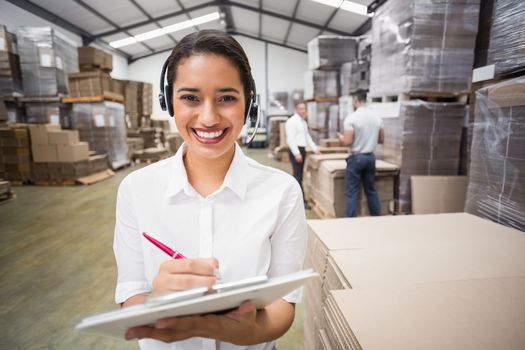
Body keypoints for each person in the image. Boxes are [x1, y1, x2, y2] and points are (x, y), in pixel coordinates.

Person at [114, 30, 307, 350]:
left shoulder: (282, 191)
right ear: (169, 102)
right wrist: (153, 304)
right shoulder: (137, 190)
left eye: (227, 98)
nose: (208, 117)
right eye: (190, 97)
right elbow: (131, 292)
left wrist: (250, 332)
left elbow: (283, 303)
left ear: (249, 104)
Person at [338, 89, 384, 217]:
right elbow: (381, 139)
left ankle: (352, 221)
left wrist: (341, 138)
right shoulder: (377, 118)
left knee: (352, 192)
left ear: (355, 100)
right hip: (370, 157)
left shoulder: (352, 118)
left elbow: (347, 141)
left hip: (356, 158)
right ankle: (376, 217)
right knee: (371, 190)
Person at [285, 102, 321, 208]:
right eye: (301, 109)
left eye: (304, 109)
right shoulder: (291, 122)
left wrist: (315, 149)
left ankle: (296, 198)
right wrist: (296, 153)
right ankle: (300, 201)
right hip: (296, 151)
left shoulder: (303, 122)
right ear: (296, 109)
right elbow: (290, 139)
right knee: (297, 176)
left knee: (299, 175)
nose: (303, 111)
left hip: (302, 150)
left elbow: (307, 137)